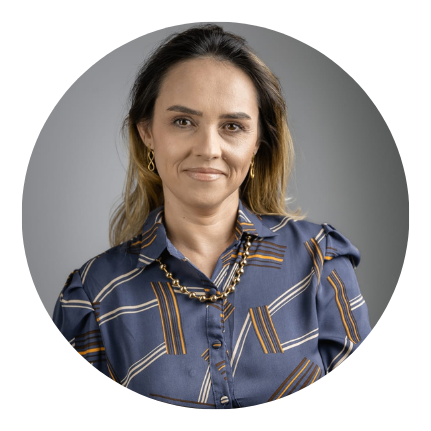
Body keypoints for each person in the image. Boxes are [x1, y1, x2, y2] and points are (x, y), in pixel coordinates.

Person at [53, 24, 372, 409]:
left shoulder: (320, 260)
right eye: (183, 121)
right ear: (147, 132)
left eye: (232, 126)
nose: (208, 148)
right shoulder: (93, 295)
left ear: (257, 142)